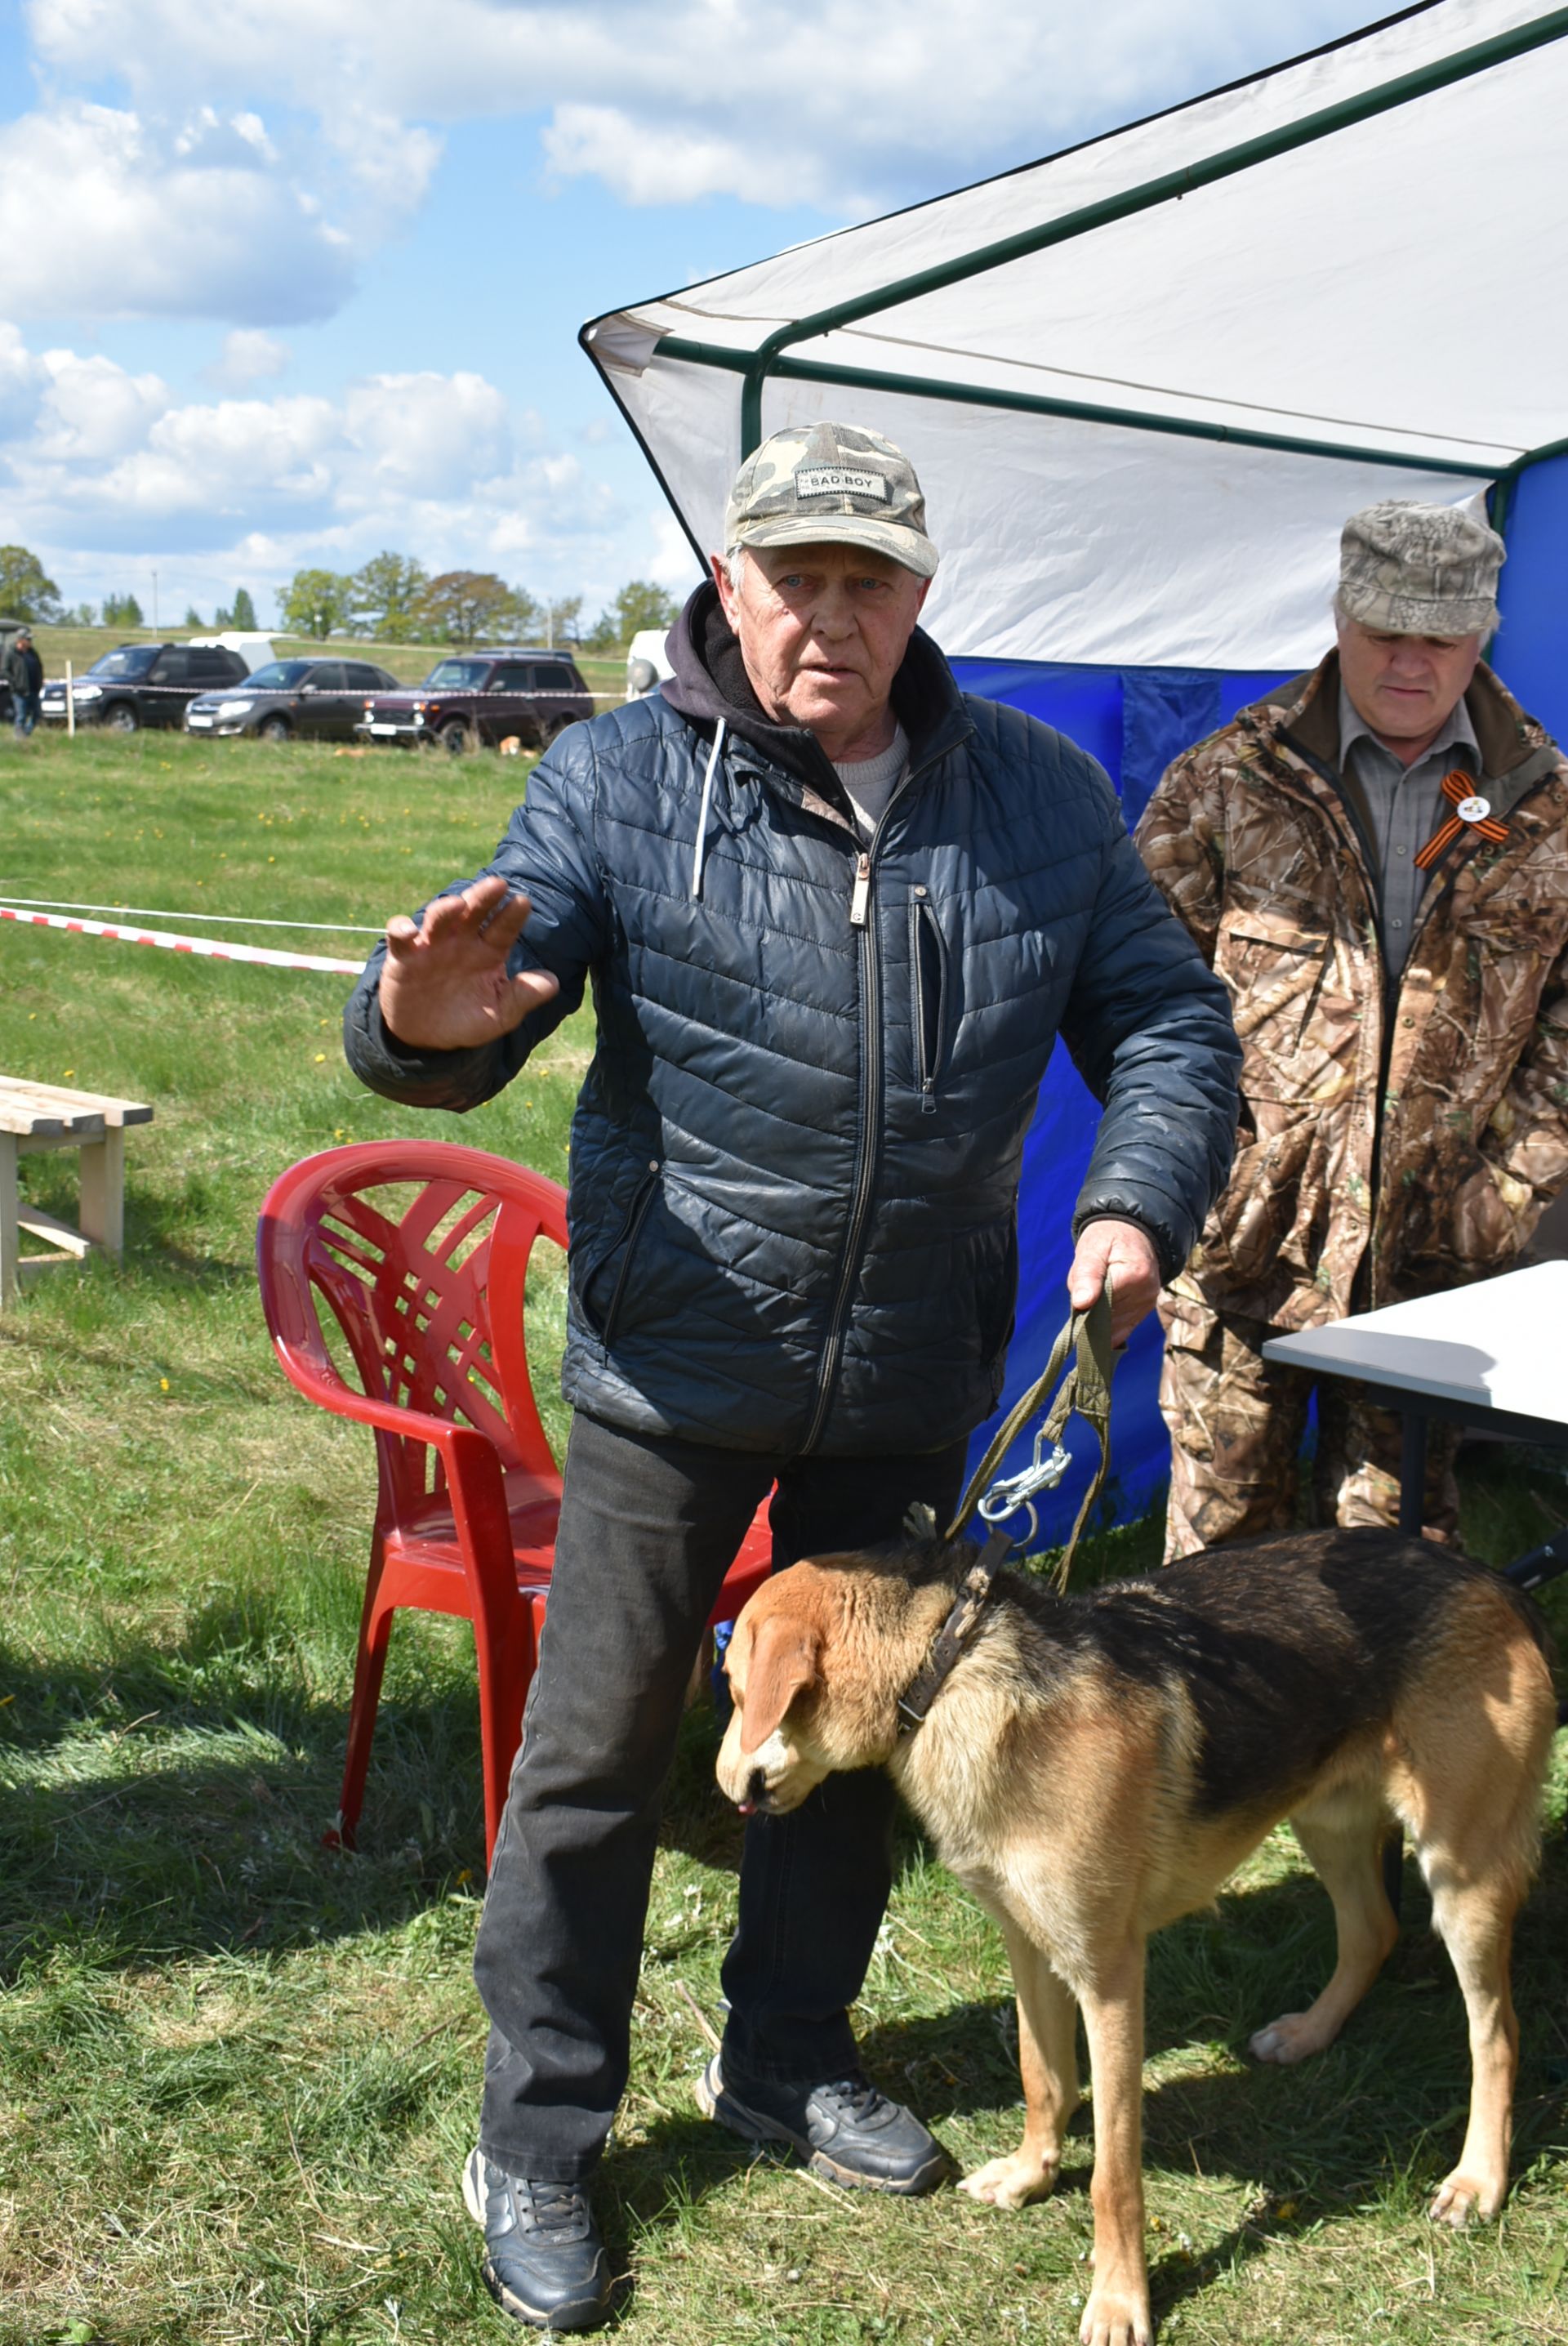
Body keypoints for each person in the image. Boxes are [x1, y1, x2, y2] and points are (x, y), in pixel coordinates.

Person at [344, 420, 1240, 2332]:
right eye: (795, 578)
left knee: (858, 1753)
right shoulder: (612, 781)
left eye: (871, 580)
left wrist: (1137, 1195)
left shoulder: (1037, 796)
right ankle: (542, 2124)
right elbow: (486, 995)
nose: (831, 615)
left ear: (923, 595)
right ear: (728, 583)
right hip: (678, 1368)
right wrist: (421, 1025)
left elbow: (1170, 1017)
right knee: (595, 1754)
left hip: (913, 1376)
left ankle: (786, 2057)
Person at [1136, 498, 1568, 1559]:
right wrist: (1209, 1162)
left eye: (1440, 638)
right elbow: (1139, 995)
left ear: (1483, 636)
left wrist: (1513, 1180)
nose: (1410, 664)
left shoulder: (1547, 807)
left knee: (1399, 1576)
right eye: (1385, 633)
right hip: (1241, 1252)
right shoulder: (1227, 780)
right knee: (1221, 1577)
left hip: (1427, 1266)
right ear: (1339, 617)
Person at [5, 629, 42, 737]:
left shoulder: (33, 653)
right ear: (20, 640)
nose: (30, 641)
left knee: (37, 714)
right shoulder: (11, 653)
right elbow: (4, 670)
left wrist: (40, 682)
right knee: (21, 716)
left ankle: (25, 734)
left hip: (34, 690)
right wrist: (15, 682)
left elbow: (39, 668)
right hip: (19, 691)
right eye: (28, 639)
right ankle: (19, 739)